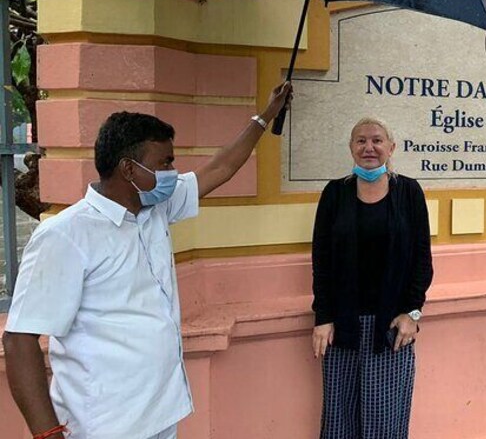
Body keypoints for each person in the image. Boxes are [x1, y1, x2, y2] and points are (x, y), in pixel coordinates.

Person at [2, 82, 293, 439]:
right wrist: (48, 435)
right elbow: (19, 341)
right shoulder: (65, 236)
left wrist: (266, 116)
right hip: (104, 426)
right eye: (165, 162)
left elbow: (221, 167)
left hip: (161, 416)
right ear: (128, 168)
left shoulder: (155, 208)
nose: (173, 171)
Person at [311, 117, 434, 439]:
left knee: (385, 420)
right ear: (351, 148)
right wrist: (323, 317)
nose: (369, 147)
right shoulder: (335, 194)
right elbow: (321, 261)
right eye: (361, 141)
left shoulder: (408, 192)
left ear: (391, 148)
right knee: (340, 420)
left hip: (391, 327)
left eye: (377, 140)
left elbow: (422, 260)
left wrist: (413, 314)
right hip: (343, 326)